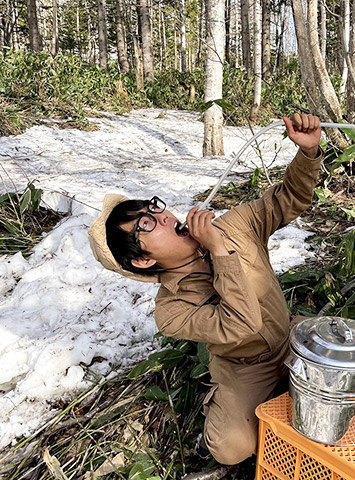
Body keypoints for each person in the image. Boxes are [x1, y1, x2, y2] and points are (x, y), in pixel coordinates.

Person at [87, 113, 322, 464]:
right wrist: (218, 250)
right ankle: (212, 429)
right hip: (246, 367)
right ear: (142, 260)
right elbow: (243, 325)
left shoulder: (236, 224)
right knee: (230, 447)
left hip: (290, 335)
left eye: (154, 207)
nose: (165, 216)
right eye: (147, 224)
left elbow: (288, 200)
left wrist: (308, 153)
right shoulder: (172, 311)